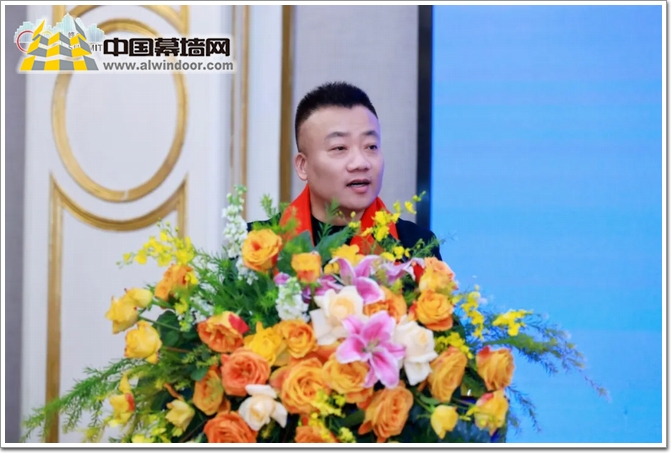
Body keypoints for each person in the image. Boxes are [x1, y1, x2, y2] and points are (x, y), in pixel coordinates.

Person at [248, 81, 442, 261]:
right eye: (339, 148)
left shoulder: (416, 247)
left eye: (371, 146)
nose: (361, 162)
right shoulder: (256, 249)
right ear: (302, 166)